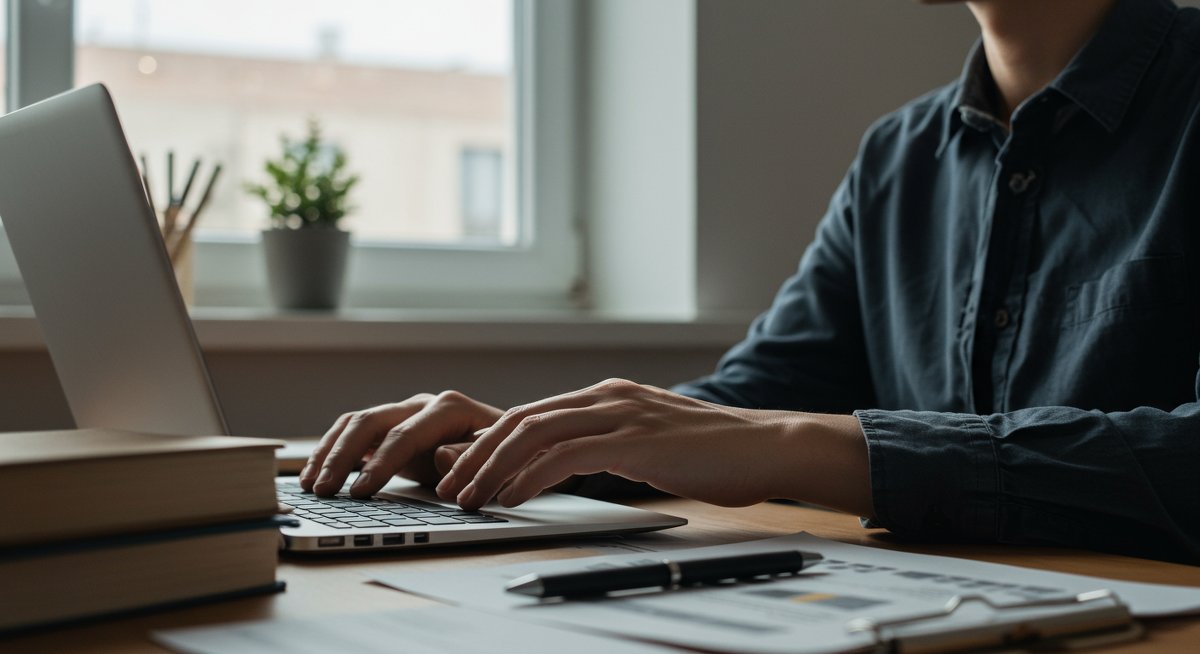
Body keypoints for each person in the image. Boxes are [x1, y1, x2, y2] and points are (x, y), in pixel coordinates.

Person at [301, 0, 1200, 564]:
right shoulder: (898, 156)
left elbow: (767, 431)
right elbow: (746, 405)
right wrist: (530, 442)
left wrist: (801, 445)